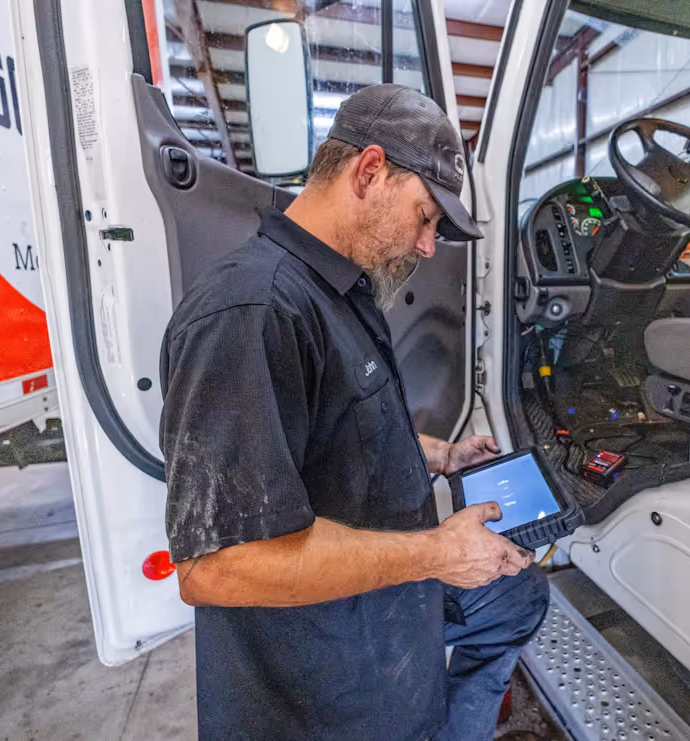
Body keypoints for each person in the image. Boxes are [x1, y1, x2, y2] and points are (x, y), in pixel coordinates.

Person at [159, 83, 550, 741]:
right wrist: (433, 553)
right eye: (425, 217)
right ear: (369, 172)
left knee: (518, 595)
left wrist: (440, 455)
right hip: (325, 686)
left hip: (385, 633)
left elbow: (339, 427)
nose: (429, 245)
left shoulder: (337, 288)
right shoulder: (252, 312)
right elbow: (218, 566)